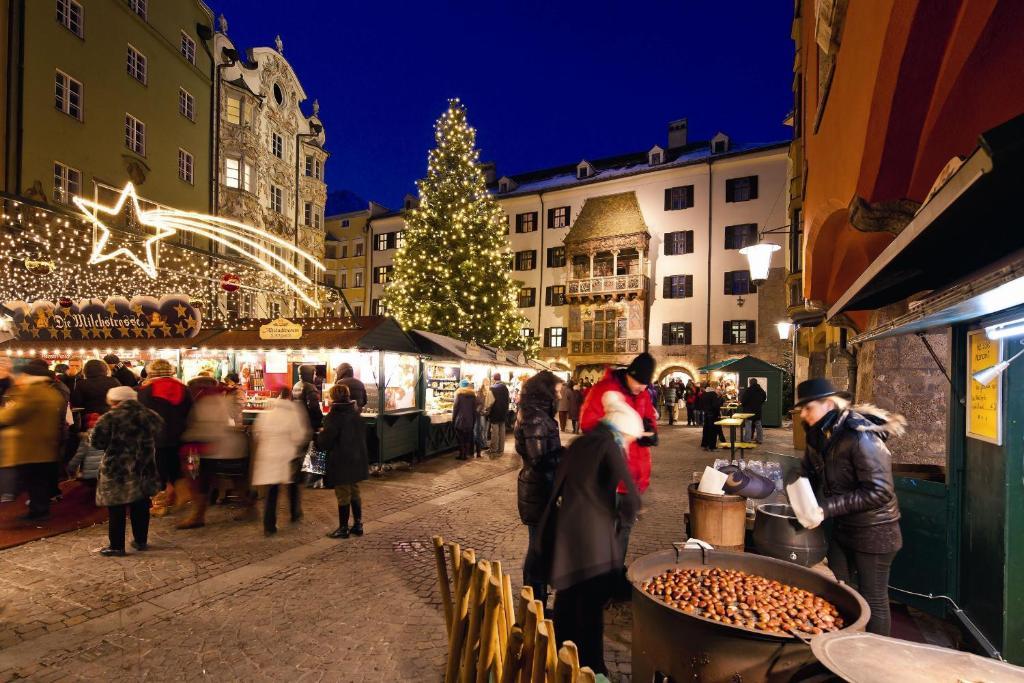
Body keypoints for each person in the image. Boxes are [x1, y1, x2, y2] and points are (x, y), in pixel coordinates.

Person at [529, 391, 643, 675]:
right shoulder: (610, 446)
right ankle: (593, 670)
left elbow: (559, 480)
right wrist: (621, 517)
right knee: (591, 613)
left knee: (567, 602)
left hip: (566, 537)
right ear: (622, 431)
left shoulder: (581, 442)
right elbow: (631, 498)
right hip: (593, 545)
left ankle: (558, 661)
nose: (629, 443)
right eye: (629, 438)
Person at [794, 378, 904, 636]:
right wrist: (794, 490)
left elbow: (879, 491)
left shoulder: (860, 437)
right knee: (841, 589)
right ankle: (847, 643)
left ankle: (874, 658)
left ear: (829, 404)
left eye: (808, 407)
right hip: (844, 527)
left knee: (873, 598)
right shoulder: (819, 436)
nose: (803, 414)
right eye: (802, 409)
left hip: (876, 531)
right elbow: (807, 472)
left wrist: (825, 508)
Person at [578, 352, 658, 573]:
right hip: (610, 476)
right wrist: (615, 432)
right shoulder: (604, 390)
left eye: (646, 384)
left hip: (635, 476)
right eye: (640, 382)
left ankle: (613, 573)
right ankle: (598, 576)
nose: (643, 388)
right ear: (630, 374)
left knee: (624, 529)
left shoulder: (642, 394)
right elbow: (587, 424)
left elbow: (649, 417)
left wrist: (651, 431)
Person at [91, 386, 162, 556]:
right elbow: (160, 432)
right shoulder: (150, 415)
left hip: (117, 468)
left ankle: (116, 546)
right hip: (144, 466)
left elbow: (97, 442)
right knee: (141, 504)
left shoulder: (109, 417)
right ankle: (140, 540)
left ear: (114, 400)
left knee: (116, 507)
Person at [513, 371, 563, 605]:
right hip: (538, 490)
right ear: (546, 391)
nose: (561, 394)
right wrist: (568, 457)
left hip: (540, 489)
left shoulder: (538, 415)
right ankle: (534, 601)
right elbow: (539, 459)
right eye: (558, 390)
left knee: (541, 545)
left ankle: (536, 596)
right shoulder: (536, 418)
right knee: (538, 548)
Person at [0, 359, 67, 520]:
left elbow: (13, 414)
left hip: (31, 444)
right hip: (46, 442)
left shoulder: (32, 392)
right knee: (40, 479)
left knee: (34, 480)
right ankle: (40, 509)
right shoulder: (51, 391)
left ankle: (38, 511)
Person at [137, 359, 193, 517]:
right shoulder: (184, 388)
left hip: (155, 437)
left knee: (157, 470)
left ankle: (159, 506)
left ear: (151, 372)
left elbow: (142, 415)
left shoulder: (146, 391)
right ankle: (182, 495)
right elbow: (190, 411)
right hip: (179, 435)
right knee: (176, 466)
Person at [176, 376, 234, 529]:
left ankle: (197, 515)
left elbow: (201, 425)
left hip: (196, 449)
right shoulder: (218, 399)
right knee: (202, 481)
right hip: (210, 447)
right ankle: (198, 513)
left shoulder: (204, 401)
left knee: (195, 480)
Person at [252, 388, 310, 535]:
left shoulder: (266, 414)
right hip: (287, 456)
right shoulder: (293, 414)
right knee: (292, 485)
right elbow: (299, 436)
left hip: (269, 456)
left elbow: (257, 433)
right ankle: (295, 512)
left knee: (272, 491)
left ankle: (269, 525)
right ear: (289, 397)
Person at [318, 384, 369, 539]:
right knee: (354, 490)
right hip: (357, 459)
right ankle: (358, 524)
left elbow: (326, 441)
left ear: (333, 397)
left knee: (343, 493)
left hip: (341, 460)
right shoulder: (356, 413)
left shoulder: (334, 416)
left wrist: (320, 437)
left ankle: (343, 528)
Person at [67, 413, 103, 486]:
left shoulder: (87, 438)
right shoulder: (108, 436)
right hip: (103, 475)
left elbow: (78, 456)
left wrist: (70, 468)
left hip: (90, 477)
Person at [452, 379, 479, 460]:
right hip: (470, 420)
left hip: (460, 420)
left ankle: (462, 454)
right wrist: (474, 420)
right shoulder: (473, 396)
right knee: (467, 437)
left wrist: (453, 419)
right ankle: (466, 454)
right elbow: (474, 410)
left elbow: (455, 408)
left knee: (460, 438)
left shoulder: (459, 395)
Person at [486, 373, 511, 456]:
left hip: (495, 413)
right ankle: (501, 449)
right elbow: (508, 400)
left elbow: (489, 403)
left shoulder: (492, 388)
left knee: (495, 432)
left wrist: (487, 410)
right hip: (503, 413)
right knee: (502, 432)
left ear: (494, 379)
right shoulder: (505, 388)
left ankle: (493, 449)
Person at [739, 378, 767, 443]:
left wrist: (743, 405)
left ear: (750, 383)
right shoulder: (761, 390)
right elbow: (764, 398)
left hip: (748, 411)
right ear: (756, 382)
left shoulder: (748, 390)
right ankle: (760, 439)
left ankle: (747, 439)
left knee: (748, 425)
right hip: (758, 410)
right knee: (759, 425)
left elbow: (744, 400)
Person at [699, 383, 725, 450]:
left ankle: (705, 444)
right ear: (714, 388)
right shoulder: (713, 394)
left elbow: (701, 405)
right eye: (717, 388)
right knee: (713, 431)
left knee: (706, 430)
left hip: (706, 414)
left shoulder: (704, 394)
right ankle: (712, 446)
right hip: (713, 415)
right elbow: (715, 405)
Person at [474, 376, 493, 455]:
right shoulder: (480, 390)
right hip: (481, 412)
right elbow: (478, 401)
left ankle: (484, 443)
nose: (486, 383)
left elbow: (491, 402)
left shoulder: (491, 390)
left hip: (487, 413)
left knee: (486, 429)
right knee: (481, 428)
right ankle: (481, 444)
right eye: (485, 382)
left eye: (487, 382)